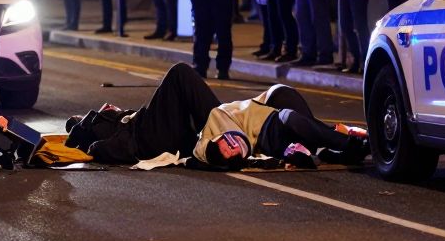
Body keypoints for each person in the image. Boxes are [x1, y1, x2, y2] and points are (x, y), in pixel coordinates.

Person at [66, 63, 367, 169]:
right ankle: (337, 143)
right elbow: (96, 147)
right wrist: (99, 124)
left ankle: (325, 144)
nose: (108, 108)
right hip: (148, 137)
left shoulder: (115, 118)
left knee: (281, 94)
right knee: (180, 73)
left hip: (181, 127)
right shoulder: (104, 130)